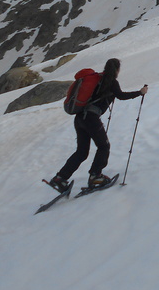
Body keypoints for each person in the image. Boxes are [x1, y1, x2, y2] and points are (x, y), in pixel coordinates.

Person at [48, 58, 148, 191]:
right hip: (91, 118)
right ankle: (95, 177)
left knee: (82, 152)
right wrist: (140, 92)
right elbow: (121, 96)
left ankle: (60, 179)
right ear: (117, 70)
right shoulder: (111, 82)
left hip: (80, 119)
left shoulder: (97, 79)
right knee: (104, 146)